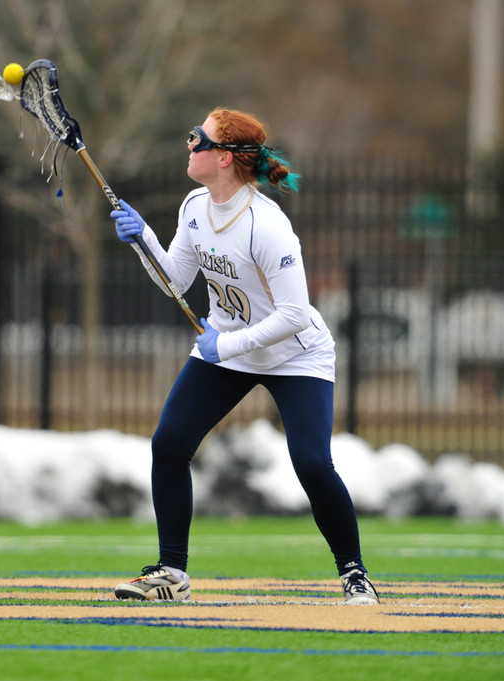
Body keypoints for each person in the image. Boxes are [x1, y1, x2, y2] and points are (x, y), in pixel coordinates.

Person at [108, 108, 378, 605]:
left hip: (294, 355)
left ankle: (354, 573)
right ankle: (172, 573)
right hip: (228, 347)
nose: (189, 144)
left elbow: (294, 314)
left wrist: (225, 344)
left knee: (312, 464)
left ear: (225, 158)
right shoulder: (195, 205)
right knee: (169, 445)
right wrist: (143, 239)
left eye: (198, 138)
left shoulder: (266, 225)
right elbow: (176, 281)